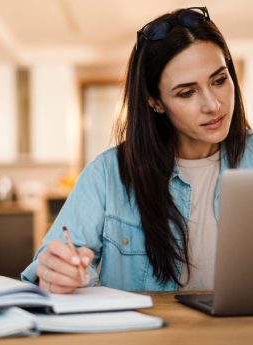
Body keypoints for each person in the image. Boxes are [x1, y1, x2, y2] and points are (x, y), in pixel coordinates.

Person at [21, 7, 253, 293]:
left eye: (219, 80)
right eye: (187, 92)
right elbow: (46, 274)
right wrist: (57, 274)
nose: (213, 105)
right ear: (155, 102)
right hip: (144, 337)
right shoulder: (108, 174)